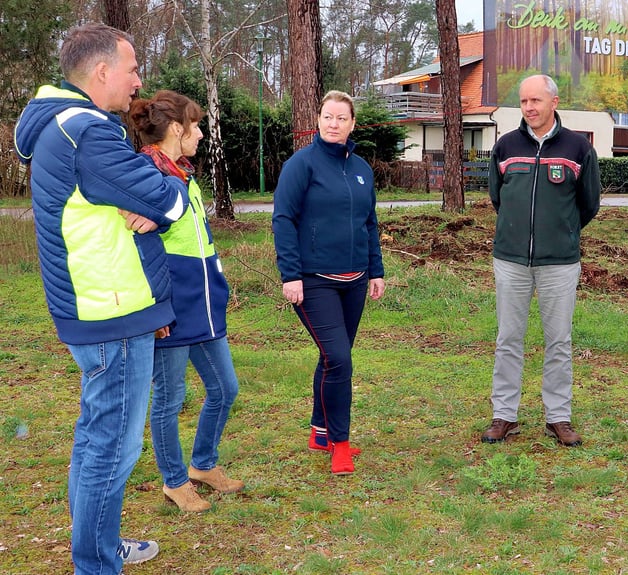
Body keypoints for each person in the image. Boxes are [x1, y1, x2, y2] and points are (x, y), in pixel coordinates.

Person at [13, 23, 188, 574]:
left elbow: (142, 193)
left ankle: (98, 548)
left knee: (97, 439)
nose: (139, 80)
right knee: (112, 447)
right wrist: (168, 199)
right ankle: (95, 563)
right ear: (103, 72)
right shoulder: (86, 131)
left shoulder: (63, 126)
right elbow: (164, 191)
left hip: (97, 306)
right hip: (110, 311)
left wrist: (151, 202)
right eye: (133, 69)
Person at [127, 90, 244, 513]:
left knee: (225, 389)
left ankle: (203, 465)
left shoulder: (182, 173)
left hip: (205, 304)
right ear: (177, 129)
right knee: (170, 398)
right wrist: (156, 306)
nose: (200, 134)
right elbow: (141, 245)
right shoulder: (146, 174)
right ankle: (175, 482)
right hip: (172, 307)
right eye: (195, 126)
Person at [481, 74, 601, 447]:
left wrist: (560, 232)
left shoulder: (578, 148)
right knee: (508, 339)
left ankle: (558, 417)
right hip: (511, 261)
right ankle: (504, 415)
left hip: (560, 263)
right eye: (523, 101)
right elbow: (497, 198)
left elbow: (589, 204)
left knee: (559, 342)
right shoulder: (505, 146)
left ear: (554, 101)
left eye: (536, 100)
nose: (529, 107)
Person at [273, 90, 385, 476]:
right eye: (327, 116)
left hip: (354, 281)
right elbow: (283, 219)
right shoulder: (301, 165)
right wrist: (290, 275)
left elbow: (369, 223)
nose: (333, 124)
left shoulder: (361, 168)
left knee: (332, 358)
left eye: (341, 118)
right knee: (340, 358)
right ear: (318, 120)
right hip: (314, 281)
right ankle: (340, 443)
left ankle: (319, 430)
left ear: (352, 124)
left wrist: (376, 269)